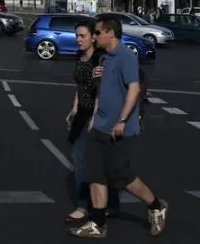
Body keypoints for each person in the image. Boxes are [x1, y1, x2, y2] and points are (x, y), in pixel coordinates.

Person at [70, 15, 168, 239]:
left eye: (97, 33)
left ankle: (155, 205)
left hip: (119, 128)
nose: (94, 37)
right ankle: (97, 223)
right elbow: (104, 90)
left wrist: (122, 120)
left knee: (121, 176)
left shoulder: (125, 56)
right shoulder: (104, 58)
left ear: (110, 33)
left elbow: (133, 90)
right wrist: (95, 87)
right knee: (95, 174)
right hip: (100, 125)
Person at [65, 19, 120, 224]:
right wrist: (74, 108)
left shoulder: (100, 60)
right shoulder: (80, 57)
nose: (78, 40)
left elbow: (100, 92)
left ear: (92, 38)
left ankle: (83, 206)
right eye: (77, 35)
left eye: (82, 36)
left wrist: (94, 118)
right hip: (82, 113)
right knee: (86, 160)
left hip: (96, 115)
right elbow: (79, 86)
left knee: (85, 160)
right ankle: (111, 204)